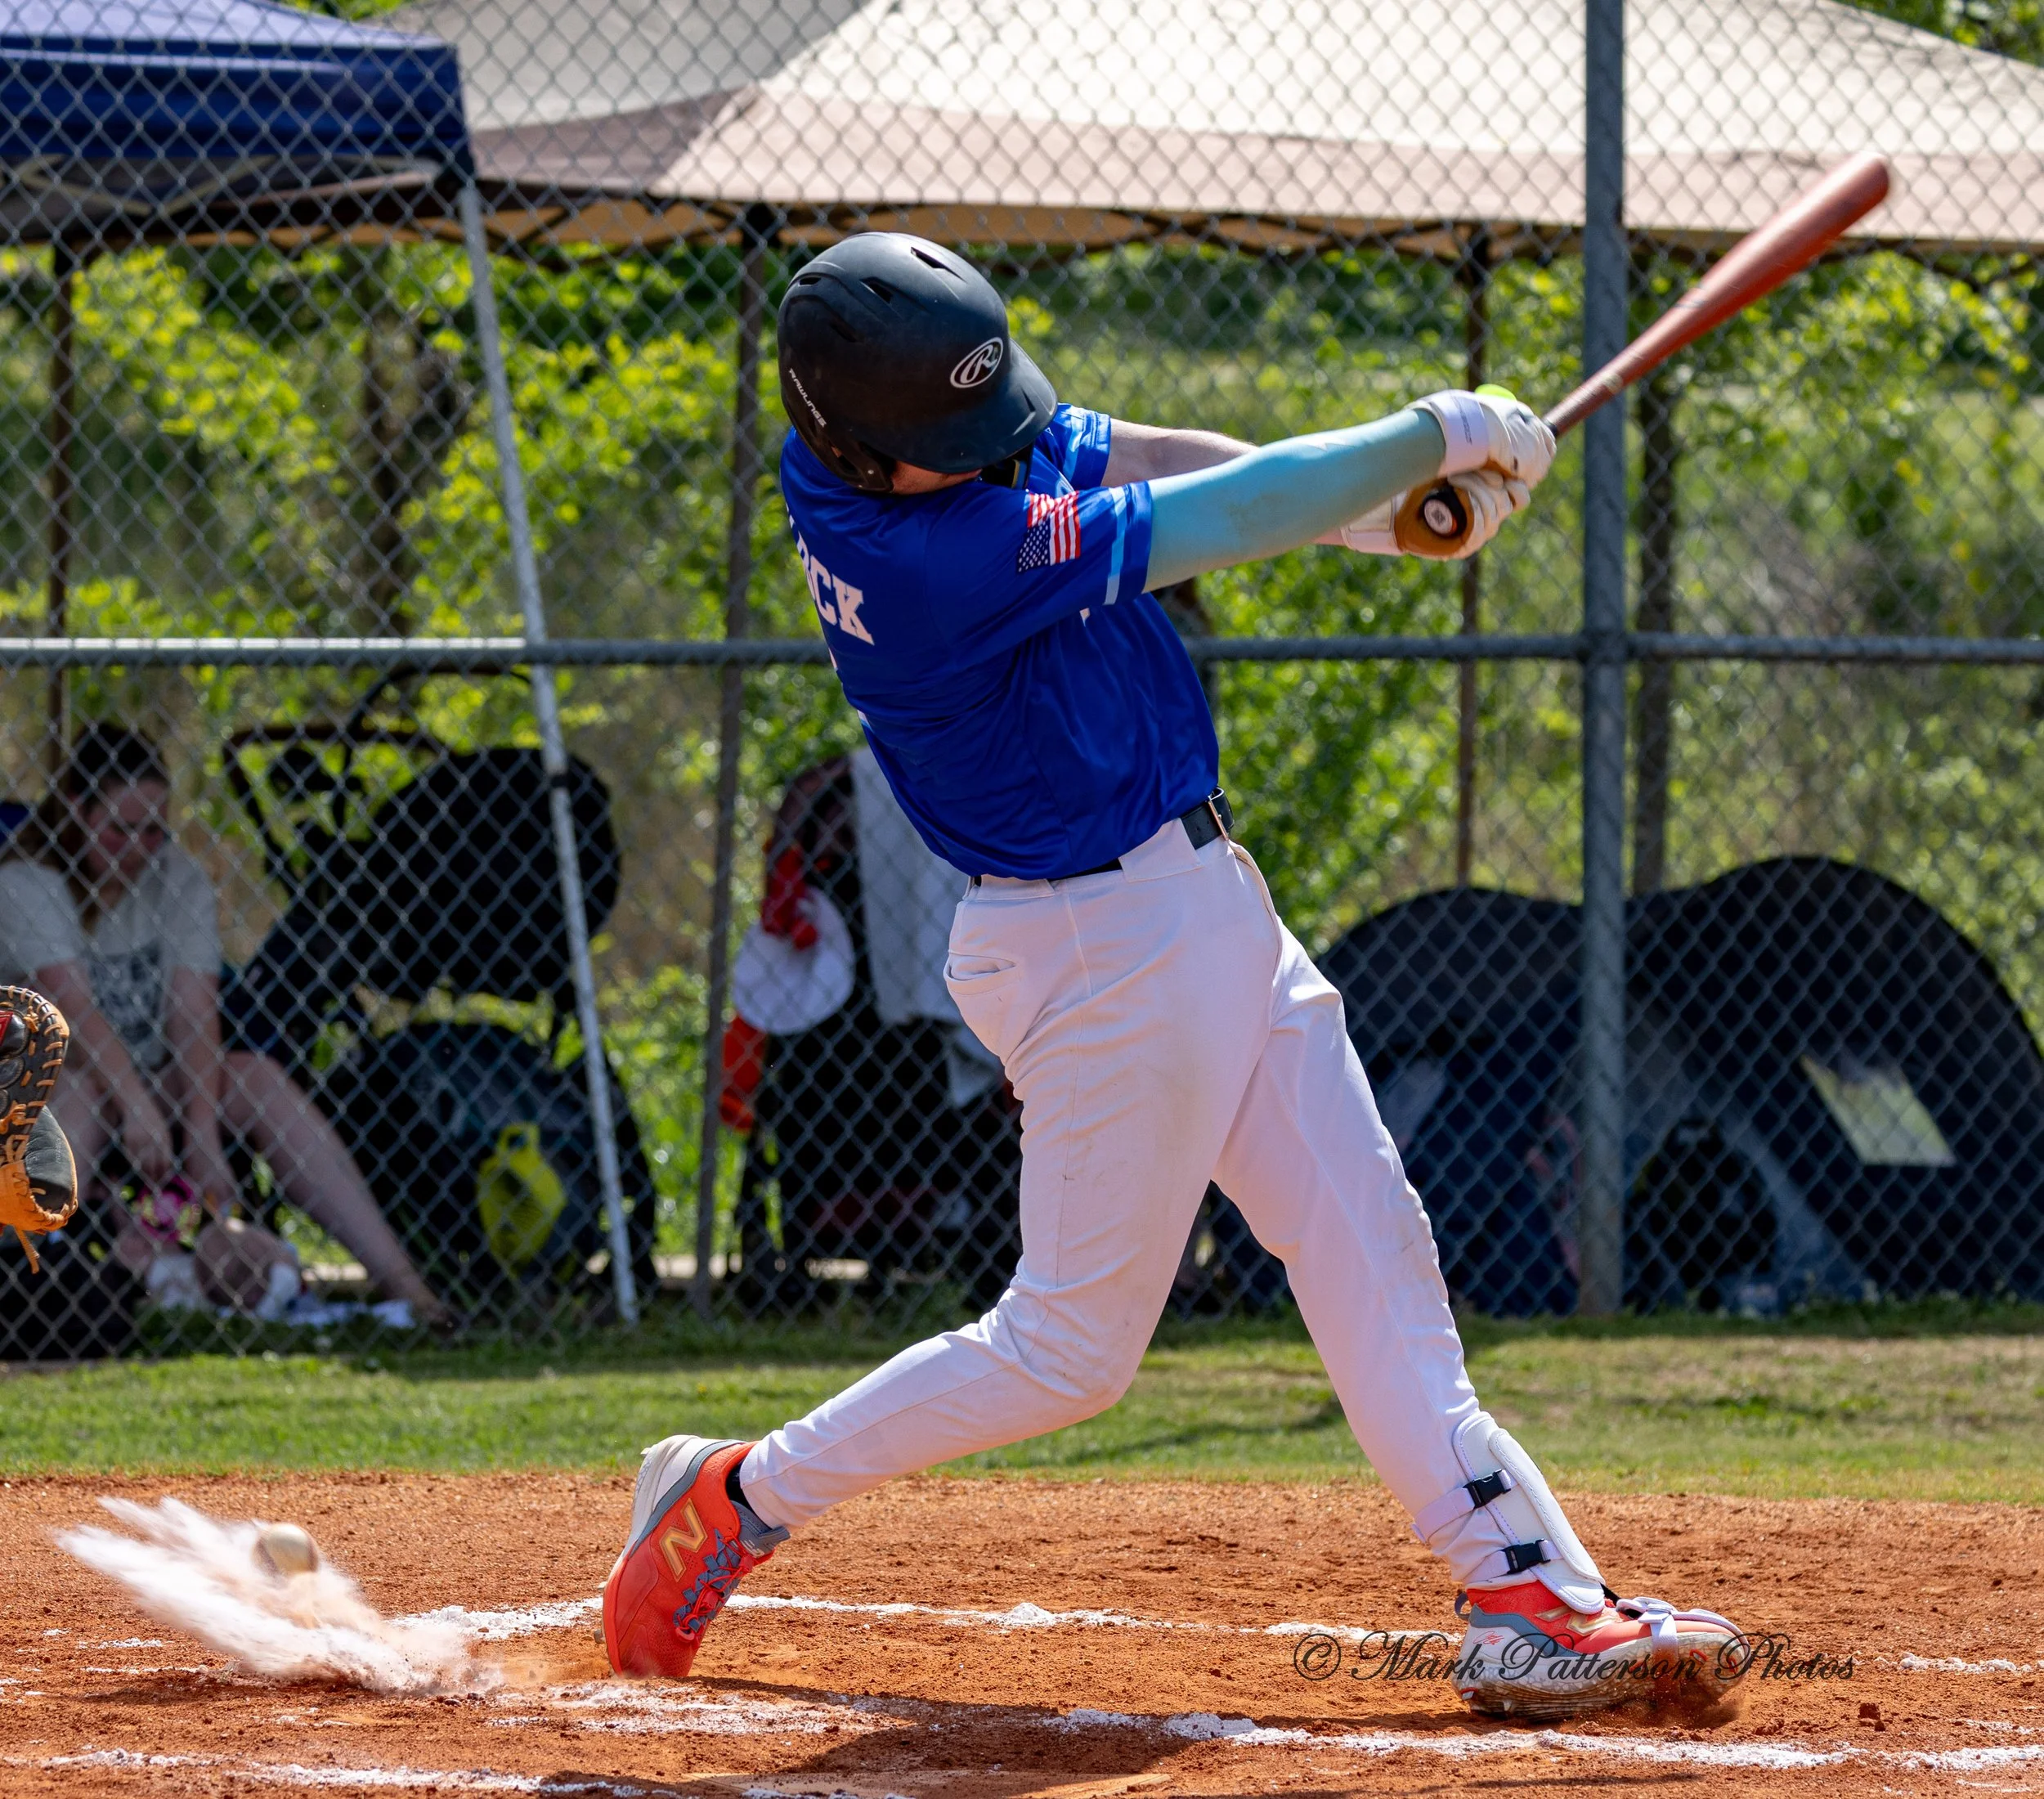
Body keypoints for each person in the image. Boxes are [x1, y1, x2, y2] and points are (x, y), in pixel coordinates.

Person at [602, 236, 1745, 1718]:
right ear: (870, 450)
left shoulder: (896, 449)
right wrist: (1425, 439)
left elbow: (1143, 454)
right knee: (1069, 1350)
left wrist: (1380, 520)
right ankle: (738, 1498)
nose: (998, 441)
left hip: (1194, 908)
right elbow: (1211, 517)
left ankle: (1523, 1594)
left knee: (1367, 1242)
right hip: (1104, 945)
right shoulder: (927, 556)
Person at [0, 725, 445, 1326]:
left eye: (153, 829)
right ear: (77, 811)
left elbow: (193, 1014)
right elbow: (74, 1010)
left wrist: (203, 1140)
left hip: (145, 1087)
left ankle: (406, 1287)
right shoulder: (25, 879)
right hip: (47, 1086)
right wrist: (137, 1107)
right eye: (119, 829)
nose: (138, 846)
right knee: (80, 1089)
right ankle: (25, 1277)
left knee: (254, 1078)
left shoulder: (177, 879)